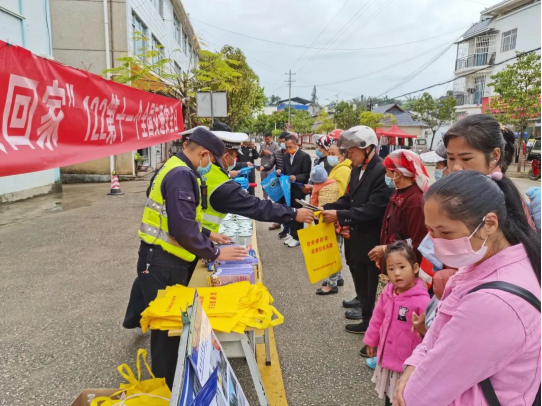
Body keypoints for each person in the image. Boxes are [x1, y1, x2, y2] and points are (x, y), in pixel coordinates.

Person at [395, 171, 541, 406]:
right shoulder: (488, 261)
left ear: (489, 224)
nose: (435, 241)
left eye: (445, 232)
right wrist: (414, 364)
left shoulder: (494, 302)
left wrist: (411, 379)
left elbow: (421, 394)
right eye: (430, 231)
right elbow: (439, 331)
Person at [123, 128, 249, 389]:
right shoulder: (182, 174)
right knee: (167, 331)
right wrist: (216, 252)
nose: (209, 165)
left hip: (159, 258)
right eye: (211, 160)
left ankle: (172, 383)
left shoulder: (172, 165)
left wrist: (207, 234)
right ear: (204, 153)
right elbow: (180, 228)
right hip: (163, 262)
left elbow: (177, 217)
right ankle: (168, 389)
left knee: (169, 326)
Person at [322, 126, 393, 334]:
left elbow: (374, 208)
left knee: (370, 279)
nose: (349, 155)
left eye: (352, 151)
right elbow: (349, 199)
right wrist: (326, 208)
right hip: (355, 234)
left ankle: (369, 323)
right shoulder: (356, 169)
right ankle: (363, 309)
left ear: (368, 148)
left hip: (371, 235)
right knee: (357, 273)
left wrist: (339, 215)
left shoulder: (381, 171)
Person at [364, 241, 430, 406]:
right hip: (387, 355)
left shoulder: (422, 300)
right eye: (391, 269)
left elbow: (429, 333)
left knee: (402, 395)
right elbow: (377, 317)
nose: (397, 273)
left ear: (415, 268)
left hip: (406, 362)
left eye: (402, 267)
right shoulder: (388, 292)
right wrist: (371, 340)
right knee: (389, 394)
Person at [368, 149, 430, 265]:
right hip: (394, 261)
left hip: (404, 266)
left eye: (387, 171)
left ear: (398, 173)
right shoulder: (398, 193)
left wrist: (386, 249)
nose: (386, 175)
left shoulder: (414, 201)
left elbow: (418, 242)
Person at [318, 144, 352, 294]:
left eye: (333, 153)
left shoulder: (343, 170)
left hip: (335, 216)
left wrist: (337, 215)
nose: (329, 156)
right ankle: (337, 277)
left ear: (342, 156)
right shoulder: (337, 168)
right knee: (336, 247)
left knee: (332, 250)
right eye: (329, 153)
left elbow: (344, 196)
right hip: (333, 213)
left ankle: (331, 284)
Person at [281, 135, 312, 248]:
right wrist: (280, 171)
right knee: (291, 212)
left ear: (296, 144)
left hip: (299, 189)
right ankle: (292, 234)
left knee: (299, 212)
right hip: (288, 189)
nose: (288, 149)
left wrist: (296, 177)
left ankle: (298, 237)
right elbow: (285, 170)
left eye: (290, 147)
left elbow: (306, 174)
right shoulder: (286, 156)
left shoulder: (305, 156)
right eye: (286, 147)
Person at [260, 132, 289, 232]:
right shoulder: (277, 153)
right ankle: (278, 222)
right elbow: (270, 164)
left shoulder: (292, 153)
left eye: (283, 142)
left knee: (287, 204)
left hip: (289, 182)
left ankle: (288, 228)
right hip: (279, 181)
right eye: (280, 142)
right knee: (278, 202)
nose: (282, 144)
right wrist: (264, 167)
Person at [260, 132, 281, 199]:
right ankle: (265, 197)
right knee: (264, 183)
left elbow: (278, 156)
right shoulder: (262, 145)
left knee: (271, 183)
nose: (266, 140)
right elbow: (259, 155)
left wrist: (269, 153)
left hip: (271, 168)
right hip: (263, 167)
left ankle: (271, 198)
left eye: (268, 139)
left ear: (271, 137)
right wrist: (262, 153)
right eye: (265, 139)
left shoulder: (275, 145)